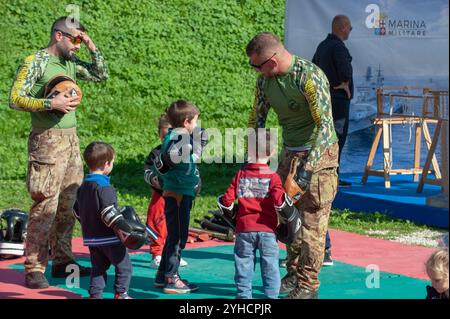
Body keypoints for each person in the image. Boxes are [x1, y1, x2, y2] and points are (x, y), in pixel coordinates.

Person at [9, 16, 108, 289]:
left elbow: (101, 74)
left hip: (71, 141)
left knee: (69, 204)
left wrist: (90, 44)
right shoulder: (36, 61)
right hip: (47, 142)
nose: (78, 45)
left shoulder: (71, 63)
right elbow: (15, 99)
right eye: (75, 39)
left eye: (81, 40)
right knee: (46, 205)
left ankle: (63, 261)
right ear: (58, 36)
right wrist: (49, 102)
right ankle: (34, 268)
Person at [246, 32, 339, 299]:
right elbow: (257, 120)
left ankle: (308, 286)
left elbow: (325, 126)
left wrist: (309, 170)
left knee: (312, 224)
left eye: (257, 65)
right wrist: (249, 161)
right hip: (290, 153)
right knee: (288, 218)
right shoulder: (265, 82)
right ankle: (294, 274)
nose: (256, 71)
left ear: (271, 61)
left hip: (318, 155)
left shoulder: (308, 77)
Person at [218, 129, 287, 299]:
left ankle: (243, 296)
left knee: (243, 264)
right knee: (270, 265)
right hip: (267, 230)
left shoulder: (241, 174)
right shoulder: (272, 176)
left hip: (244, 229)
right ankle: (272, 296)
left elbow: (226, 201)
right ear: (271, 152)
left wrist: (228, 207)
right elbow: (280, 202)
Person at [151, 100, 206, 294]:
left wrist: (197, 145)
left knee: (174, 235)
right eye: (195, 122)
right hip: (179, 193)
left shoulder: (176, 135)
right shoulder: (180, 139)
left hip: (177, 190)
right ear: (186, 121)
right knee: (178, 238)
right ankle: (171, 278)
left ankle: (162, 274)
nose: (197, 126)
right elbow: (170, 159)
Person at [73, 142, 132, 299]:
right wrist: (126, 229)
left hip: (92, 238)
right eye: (112, 162)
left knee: (98, 268)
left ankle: (95, 295)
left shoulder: (82, 187)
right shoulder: (105, 187)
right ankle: (121, 294)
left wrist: (88, 223)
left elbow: (76, 211)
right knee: (124, 266)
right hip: (110, 238)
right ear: (107, 164)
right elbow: (108, 212)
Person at [312, 15, 354, 187]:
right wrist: (345, 83)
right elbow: (345, 70)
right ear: (342, 27)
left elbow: (313, 68)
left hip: (324, 100)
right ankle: (331, 177)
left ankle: (322, 174)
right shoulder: (338, 47)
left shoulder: (322, 46)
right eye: (350, 28)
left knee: (325, 138)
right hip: (337, 101)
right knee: (337, 138)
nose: (350, 31)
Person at [143, 114, 188, 269]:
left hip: (178, 195)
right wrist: (153, 178)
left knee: (176, 224)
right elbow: (147, 170)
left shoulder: (182, 152)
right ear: (159, 135)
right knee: (157, 222)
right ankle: (157, 254)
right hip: (160, 195)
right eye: (164, 135)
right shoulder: (156, 153)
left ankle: (173, 253)